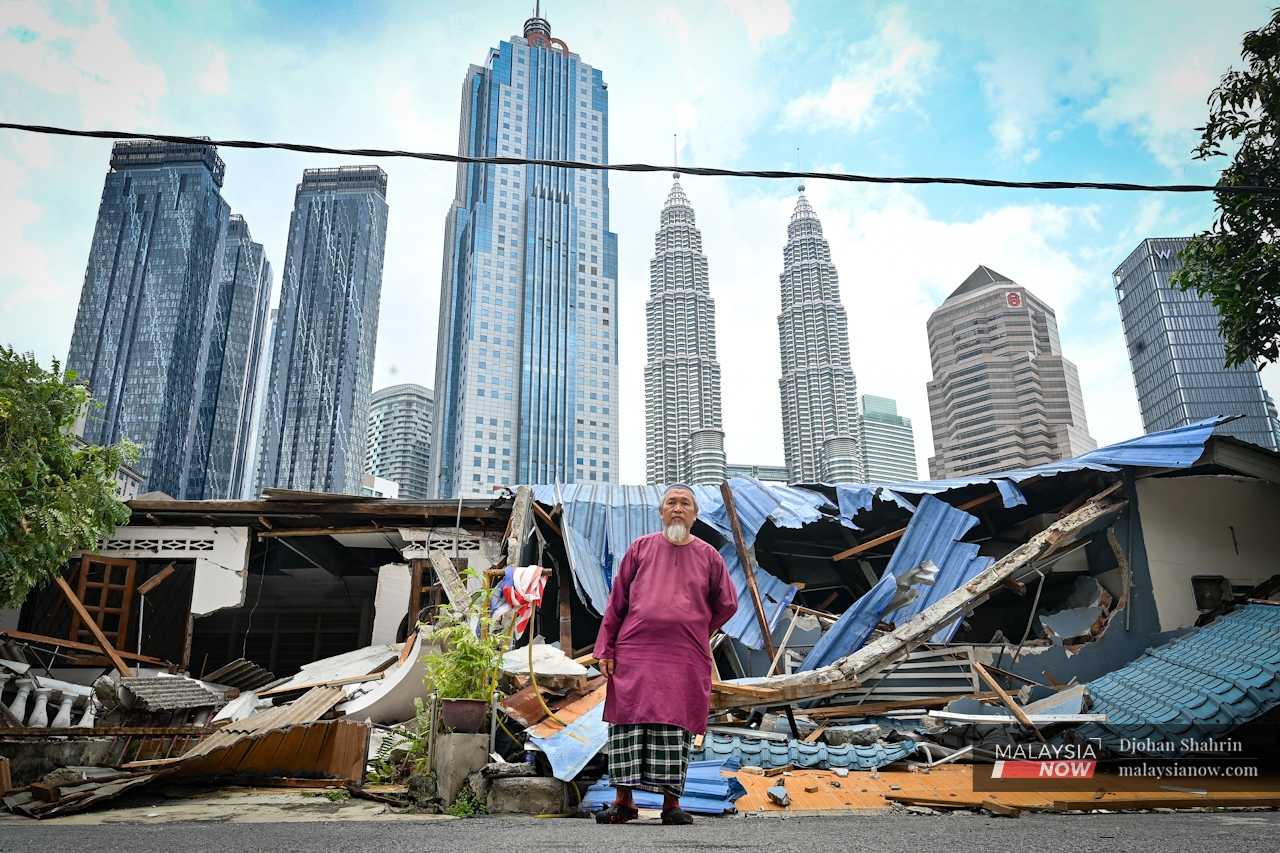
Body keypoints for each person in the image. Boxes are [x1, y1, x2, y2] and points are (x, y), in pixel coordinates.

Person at [592, 483, 738, 825]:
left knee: (676, 727)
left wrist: (698, 627)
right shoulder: (640, 548)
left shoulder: (709, 556)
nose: (677, 508)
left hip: (683, 656)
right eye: (671, 502)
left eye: (684, 503)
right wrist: (605, 647)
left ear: (694, 514)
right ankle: (623, 802)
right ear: (661, 511)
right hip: (634, 652)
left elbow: (727, 604)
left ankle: (671, 805)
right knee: (628, 724)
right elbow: (617, 603)